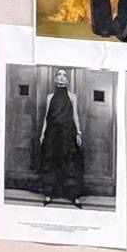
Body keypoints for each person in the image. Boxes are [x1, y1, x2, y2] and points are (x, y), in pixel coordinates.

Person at [38, 68, 83, 207]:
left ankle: (74, 196)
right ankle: (48, 194)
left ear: (67, 80)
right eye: (59, 75)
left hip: (68, 134)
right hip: (52, 134)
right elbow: (46, 117)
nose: (62, 77)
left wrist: (78, 132)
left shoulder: (72, 96)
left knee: (70, 162)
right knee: (50, 162)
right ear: (55, 79)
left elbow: (75, 114)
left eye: (64, 75)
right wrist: (42, 133)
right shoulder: (50, 97)